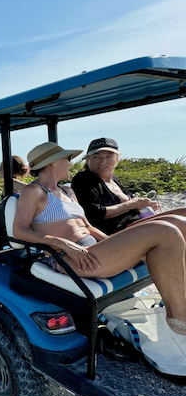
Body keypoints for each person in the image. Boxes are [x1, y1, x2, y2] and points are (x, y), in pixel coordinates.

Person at [13, 141, 186, 336]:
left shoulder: (67, 191)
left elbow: (88, 227)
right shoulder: (33, 191)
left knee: (181, 218)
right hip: (68, 258)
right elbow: (19, 231)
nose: (71, 163)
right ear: (53, 162)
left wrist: (115, 241)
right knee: (165, 230)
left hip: (94, 250)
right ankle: (180, 318)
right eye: (67, 158)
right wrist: (61, 243)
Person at [72, 137, 186, 235]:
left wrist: (145, 205)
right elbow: (95, 214)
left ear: (117, 159)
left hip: (136, 222)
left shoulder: (114, 180)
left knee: (183, 212)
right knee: (176, 221)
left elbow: (132, 204)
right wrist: (131, 204)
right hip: (118, 231)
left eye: (109, 157)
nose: (103, 162)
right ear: (87, 159)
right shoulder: (83, 180)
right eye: (96, 157)